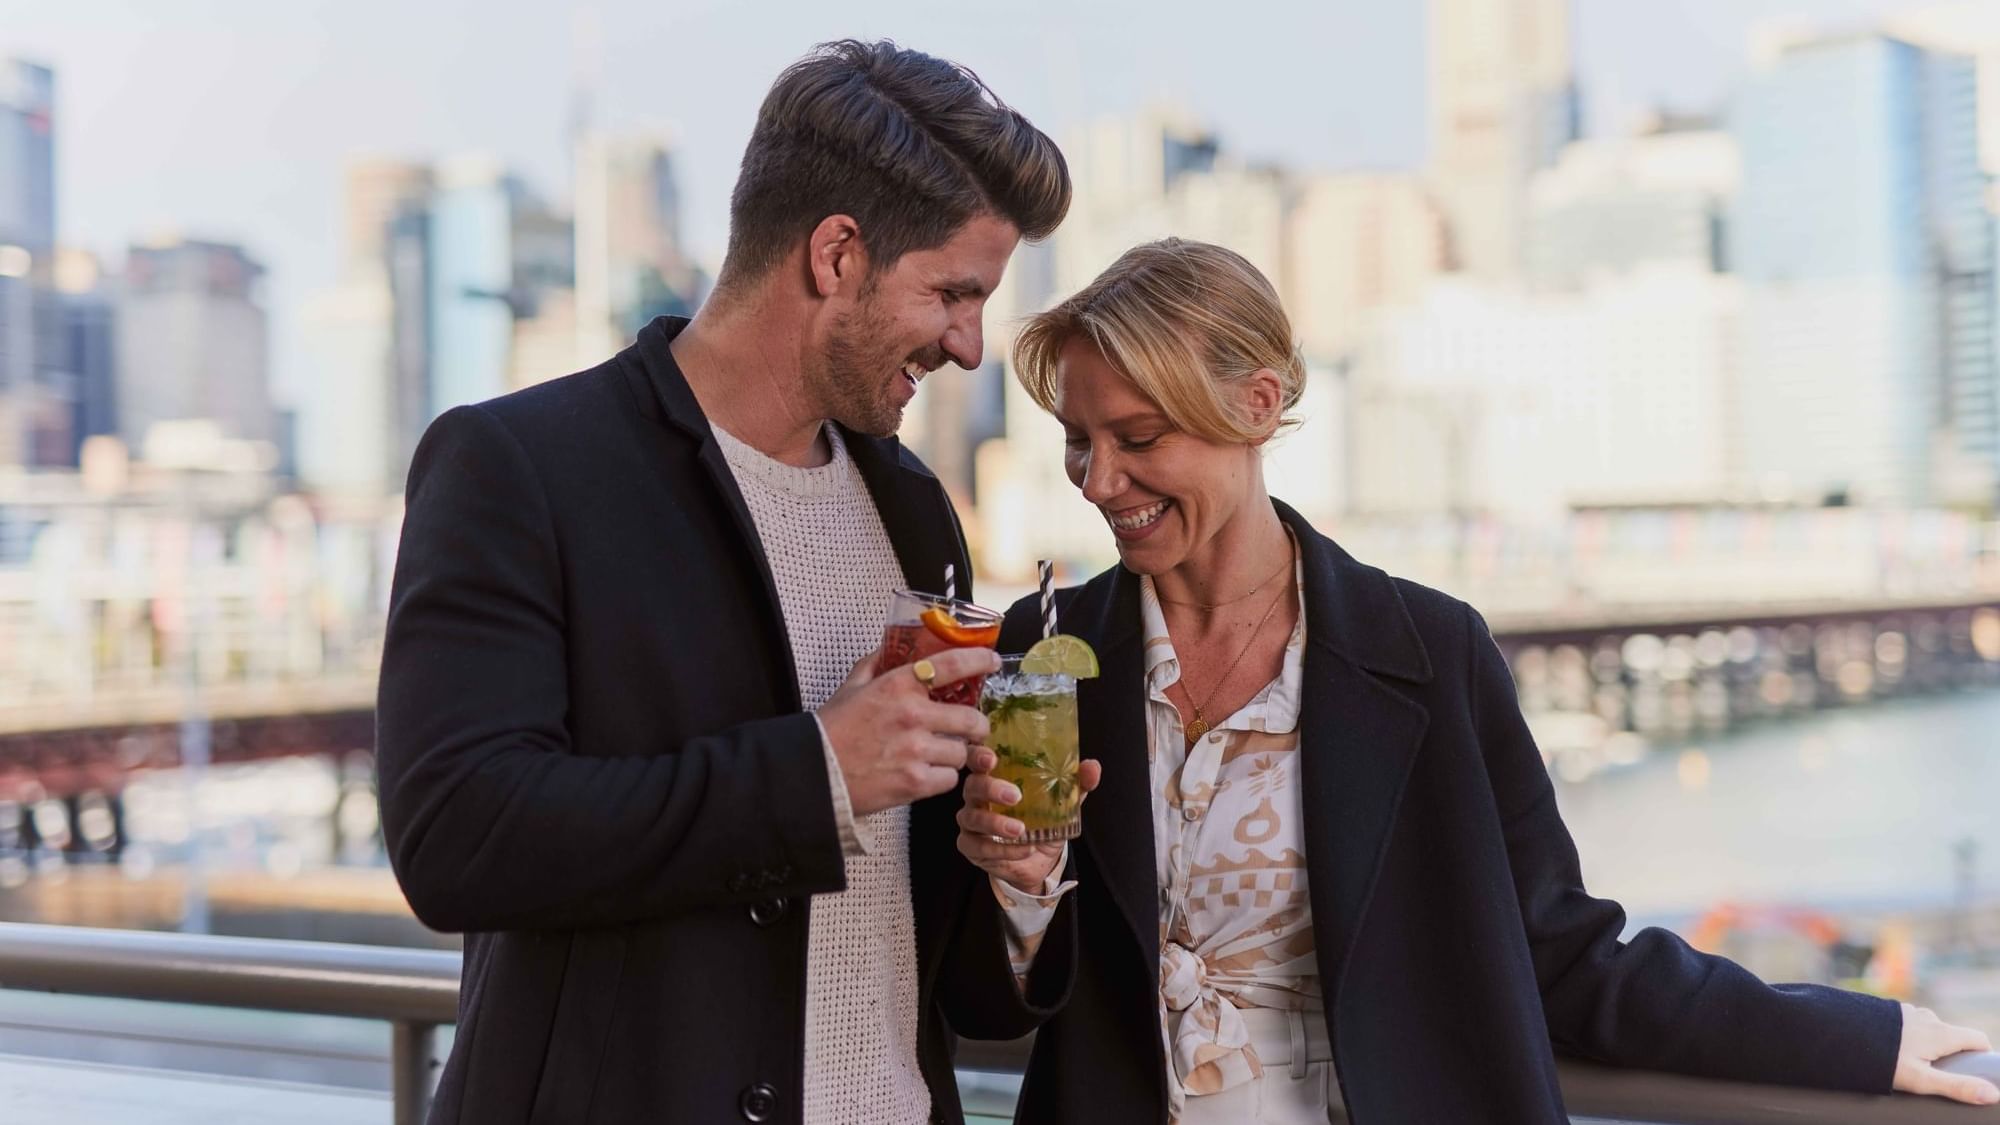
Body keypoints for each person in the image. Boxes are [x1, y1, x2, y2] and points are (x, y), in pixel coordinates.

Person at [948, 238, 1998, 1123]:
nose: (1096, 482)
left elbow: (1565, 960)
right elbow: (976, 1005)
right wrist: (1021, 890)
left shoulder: (1430, 651)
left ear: (1257, 406)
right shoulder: (1037, 661)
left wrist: (1852, 1037)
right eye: (1076, 444)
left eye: (1136, 438)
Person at [375, 40, 1069, 1124]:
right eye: (952, 292)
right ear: (836, 253)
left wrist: (1012, 874)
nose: (971, 345)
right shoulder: (517, 467)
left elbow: (919, 927)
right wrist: (817, 771)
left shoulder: (915, 506)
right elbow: (457, 838)